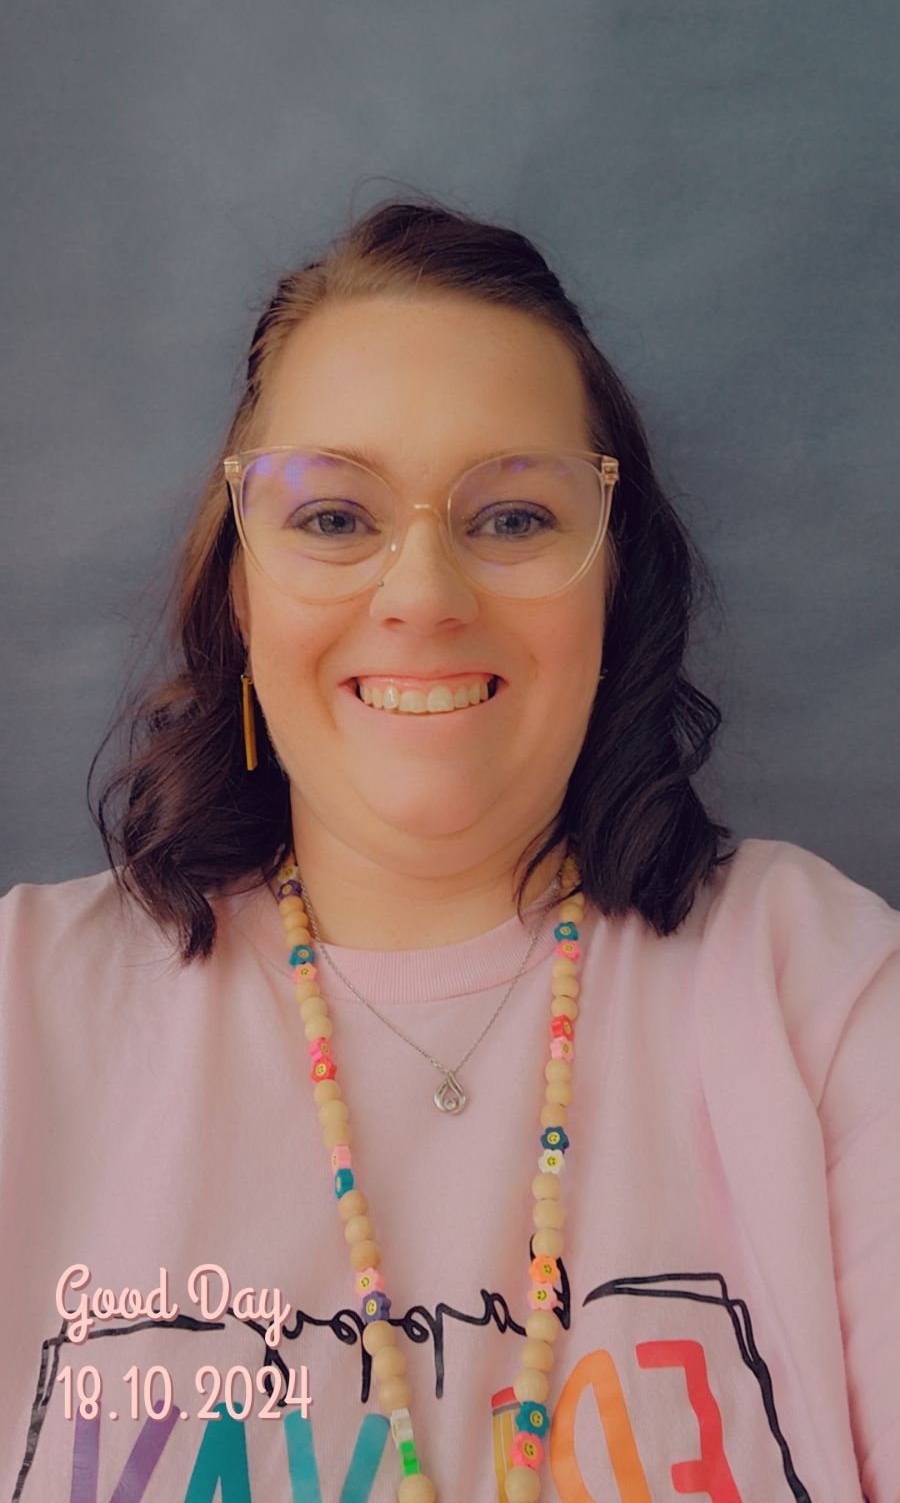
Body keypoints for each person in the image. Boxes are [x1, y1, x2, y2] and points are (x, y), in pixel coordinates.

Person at [0, 198, 897, 1503]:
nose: (423, 594)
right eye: (333, 518)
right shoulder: (21, 1013)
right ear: (242, 591)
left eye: (515, 518)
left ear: (610, 576)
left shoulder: (831, 1001)